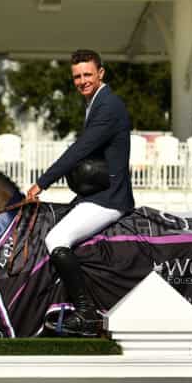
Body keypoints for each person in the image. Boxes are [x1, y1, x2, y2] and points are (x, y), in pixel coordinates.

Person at [25, 49, 135, 335]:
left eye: (88, 74)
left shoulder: (108, 106)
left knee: (57, 238)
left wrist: (42, 183)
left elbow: (79, 150)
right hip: (94, 193)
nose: (82, 81)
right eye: (77, 76)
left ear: (101, 73)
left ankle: (87, 314)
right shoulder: (95, 102)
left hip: (109, 197)